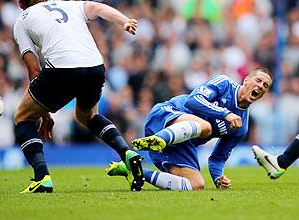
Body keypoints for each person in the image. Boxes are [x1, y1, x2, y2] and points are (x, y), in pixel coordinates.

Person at [13, 0, 144, 193]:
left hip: (63, 69)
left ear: (20, 4)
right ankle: (126, 153)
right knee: (88, 116)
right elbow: (99, 8)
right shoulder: (70, 5)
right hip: (95, 66)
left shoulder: (23, 19)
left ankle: (41, 177)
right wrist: (124, 21)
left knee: (23, 117)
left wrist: (43, 114)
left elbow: (34, 70)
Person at [107, 68, 273, 190]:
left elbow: (217, 159)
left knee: (196, 185)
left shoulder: (241, 127)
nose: (261, 86)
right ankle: (159, 139)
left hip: (183, 143)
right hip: (167, 115)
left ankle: (135, 170)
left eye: (265, 85)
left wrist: (218, 178)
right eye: (258, 80)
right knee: (206, 127)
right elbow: (192, 101)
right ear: (246, 80)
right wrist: (225, 114)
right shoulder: (224, 84)